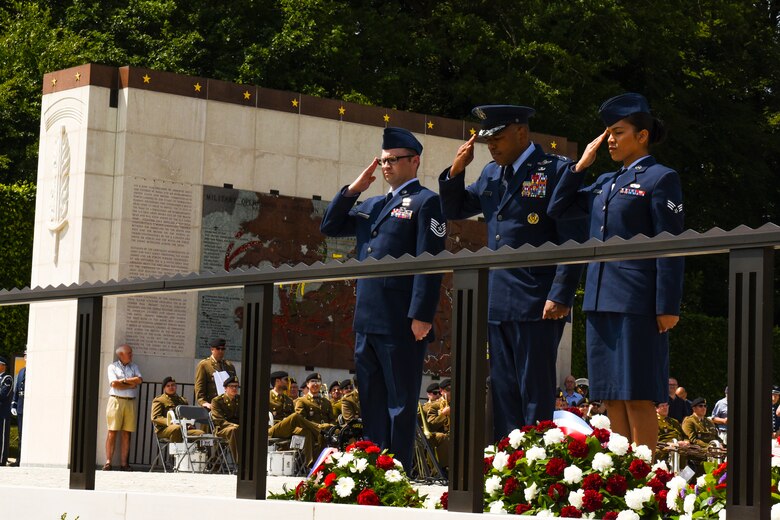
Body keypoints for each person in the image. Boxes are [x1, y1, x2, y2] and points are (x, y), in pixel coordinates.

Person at [548, 93, 684, 452]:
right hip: (599, 300)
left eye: (618, 131)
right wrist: (580, 166)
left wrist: (668, 305)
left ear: (642, 136)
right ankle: (625, 475)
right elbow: (558, 208)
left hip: (637, 302)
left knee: (638, 395)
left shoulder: (661, 178)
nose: (610, 139)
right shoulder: (605, 182)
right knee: (611, 397)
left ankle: (647, 477)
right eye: (607, 132)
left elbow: (670, 245)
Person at [440, 105, 586, 439]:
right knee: (503, 388)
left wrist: (561, 294)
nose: (491, 147)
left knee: (534, 389)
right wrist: (455, 172)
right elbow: (456, 208)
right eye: (487, 141)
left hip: (538, 300)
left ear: (522, 132)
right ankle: (506, 462)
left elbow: (573, 239)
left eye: (499, 138)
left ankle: (534, 465)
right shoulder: (492, 173)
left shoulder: (555, 170)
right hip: (499, 300)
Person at [320, 126, 445, 470]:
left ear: (414, 161)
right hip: (367, 320)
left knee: (400, 403)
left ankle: (398, 470)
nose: (386, 166)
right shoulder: (372, 204)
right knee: (372, 400)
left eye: (393, 160)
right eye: (383, 160)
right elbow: (330, 226)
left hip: (400, 319)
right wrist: (354, 189)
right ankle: (374, 467)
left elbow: (429, 261)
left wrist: (421, 313)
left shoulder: (425, 201)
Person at [269, 370, 327, 467]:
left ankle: (310, 464)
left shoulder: (287, 399)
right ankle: (320, 430)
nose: (288, 382)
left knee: (307, 431)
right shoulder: (267, 396)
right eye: (286, 380)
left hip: (288, 429)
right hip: (273, 428)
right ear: (278, 381)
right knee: (295, 416)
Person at [104, 344, 143, 471]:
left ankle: (124, 463)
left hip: (130, 402)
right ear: (121, 355)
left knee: (127, 432)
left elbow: (139, 380)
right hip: (116, 400)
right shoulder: (112, 367)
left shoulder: (134, 366)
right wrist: (129, 384)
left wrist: (123, 381)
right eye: (129, 353)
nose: (131, 355)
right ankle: (108, 462)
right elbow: (114, 384)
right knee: (112, 431)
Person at [151, 376, 203, 442]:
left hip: (183, 428)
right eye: (168, 386)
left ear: (176, 386)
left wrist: (190, 425)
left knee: (200, 433)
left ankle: (199, 452)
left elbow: (188, 416)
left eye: (173, 385)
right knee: (177, 428)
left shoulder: (183, 401)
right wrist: (171, 422)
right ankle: (177, 452)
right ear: (164, 388)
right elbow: (155, 418)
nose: (171, 387)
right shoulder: (159, 400)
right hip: (165, 429)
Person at [194, 338, 236, 410]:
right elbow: (199, 387)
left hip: (227, 406)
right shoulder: (204, 365)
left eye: (223, 349)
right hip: (211, 406)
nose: (220, 351)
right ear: (212, 349)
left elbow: (234, 385)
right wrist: (203, 402)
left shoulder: (229, 366)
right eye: (218, 348)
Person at [211, 375, 241, 462]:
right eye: (232, 386)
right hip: (222, 429)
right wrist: (234, 425)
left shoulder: (240, 399)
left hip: (237, 427)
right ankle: (239, 463)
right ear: (225, 388)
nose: (234, 388)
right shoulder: (217, 401)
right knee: (233, 430)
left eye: (236, 386)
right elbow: (218, 420)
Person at [10, 351, 25, 463]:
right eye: (25, 356)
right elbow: (16, 389)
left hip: (29, 405)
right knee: (20, 433)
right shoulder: (21, 372)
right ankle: (19, 458)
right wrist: (14, 403)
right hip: (20, 405)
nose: (26, 358)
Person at [0, 357, 12, 466]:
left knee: (2, 436)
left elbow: (3, 394)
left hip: (3, 412)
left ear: (3, 366)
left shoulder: (7, 378)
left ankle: (2, 460)